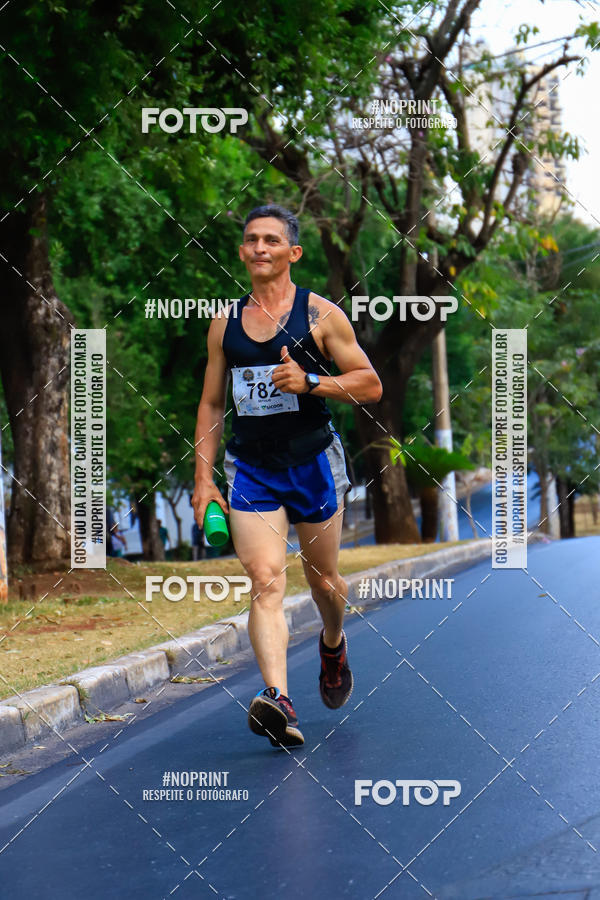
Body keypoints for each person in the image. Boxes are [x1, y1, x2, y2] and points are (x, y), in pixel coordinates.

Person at [192, 204, 382, 748]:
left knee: (323, 582)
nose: (259, 248)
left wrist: (311, 383)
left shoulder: (321, 315)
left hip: (314, 463)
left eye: (271, 240)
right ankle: (278, 698)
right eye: (251, 240)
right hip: (252, 468)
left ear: (292, 253)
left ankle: (333, 639)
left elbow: (370, 385)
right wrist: (203, 480)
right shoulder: (225, 325)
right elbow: (209, 406)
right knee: (266, 581)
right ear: (241, 252)